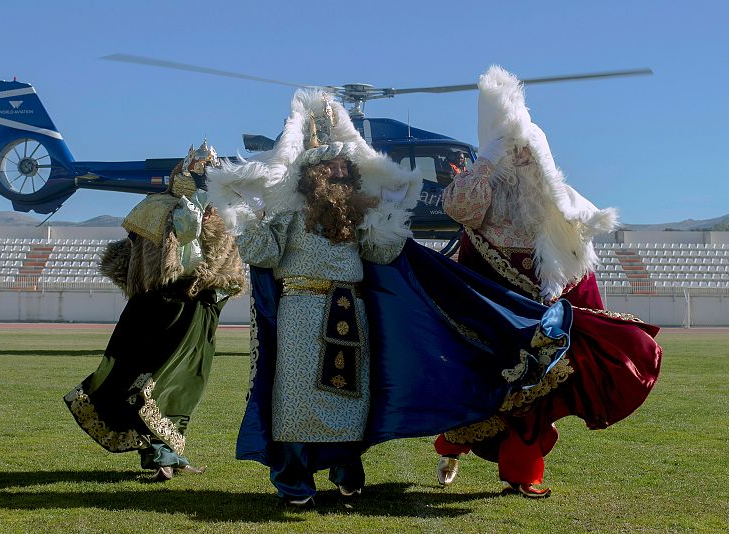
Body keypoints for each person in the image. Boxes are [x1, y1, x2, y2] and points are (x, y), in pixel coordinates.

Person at [435, 66, 663, 497]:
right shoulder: (484, 200)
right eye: (513, 152)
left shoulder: (559, 211)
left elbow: (578, 267)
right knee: (478, 400)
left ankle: (523, 474)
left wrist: (560, 295)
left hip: (541, 327)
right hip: (489, 321)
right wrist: (488, 158)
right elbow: (459, 205)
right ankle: (450, 446)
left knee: (534, 402)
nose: (521, 159)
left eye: (527, 153)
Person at [207, 89, 422, 505]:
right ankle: (295, 477)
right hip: (302, 310)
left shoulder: (357, 214)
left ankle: (346, 469)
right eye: (336, 165)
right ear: (316, 172)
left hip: (350, 308)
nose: (344, 170)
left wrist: (388, 221)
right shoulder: (290, 214)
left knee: (348, 391)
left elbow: (382, 254)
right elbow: (264, 253)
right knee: (299, 392)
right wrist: (245, 219)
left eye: (347, 166)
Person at [64, 142, 246, 481]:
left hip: (199, 309)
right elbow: (154, 251)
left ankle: (170, 455)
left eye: (210, 170)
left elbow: (227, 265)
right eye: (199, 169)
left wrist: (215, 296)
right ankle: (162, 456)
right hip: (160, 306)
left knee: (185, 385)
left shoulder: (224, 212)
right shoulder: (156, 207)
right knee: (153, 383)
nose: (205, 174)